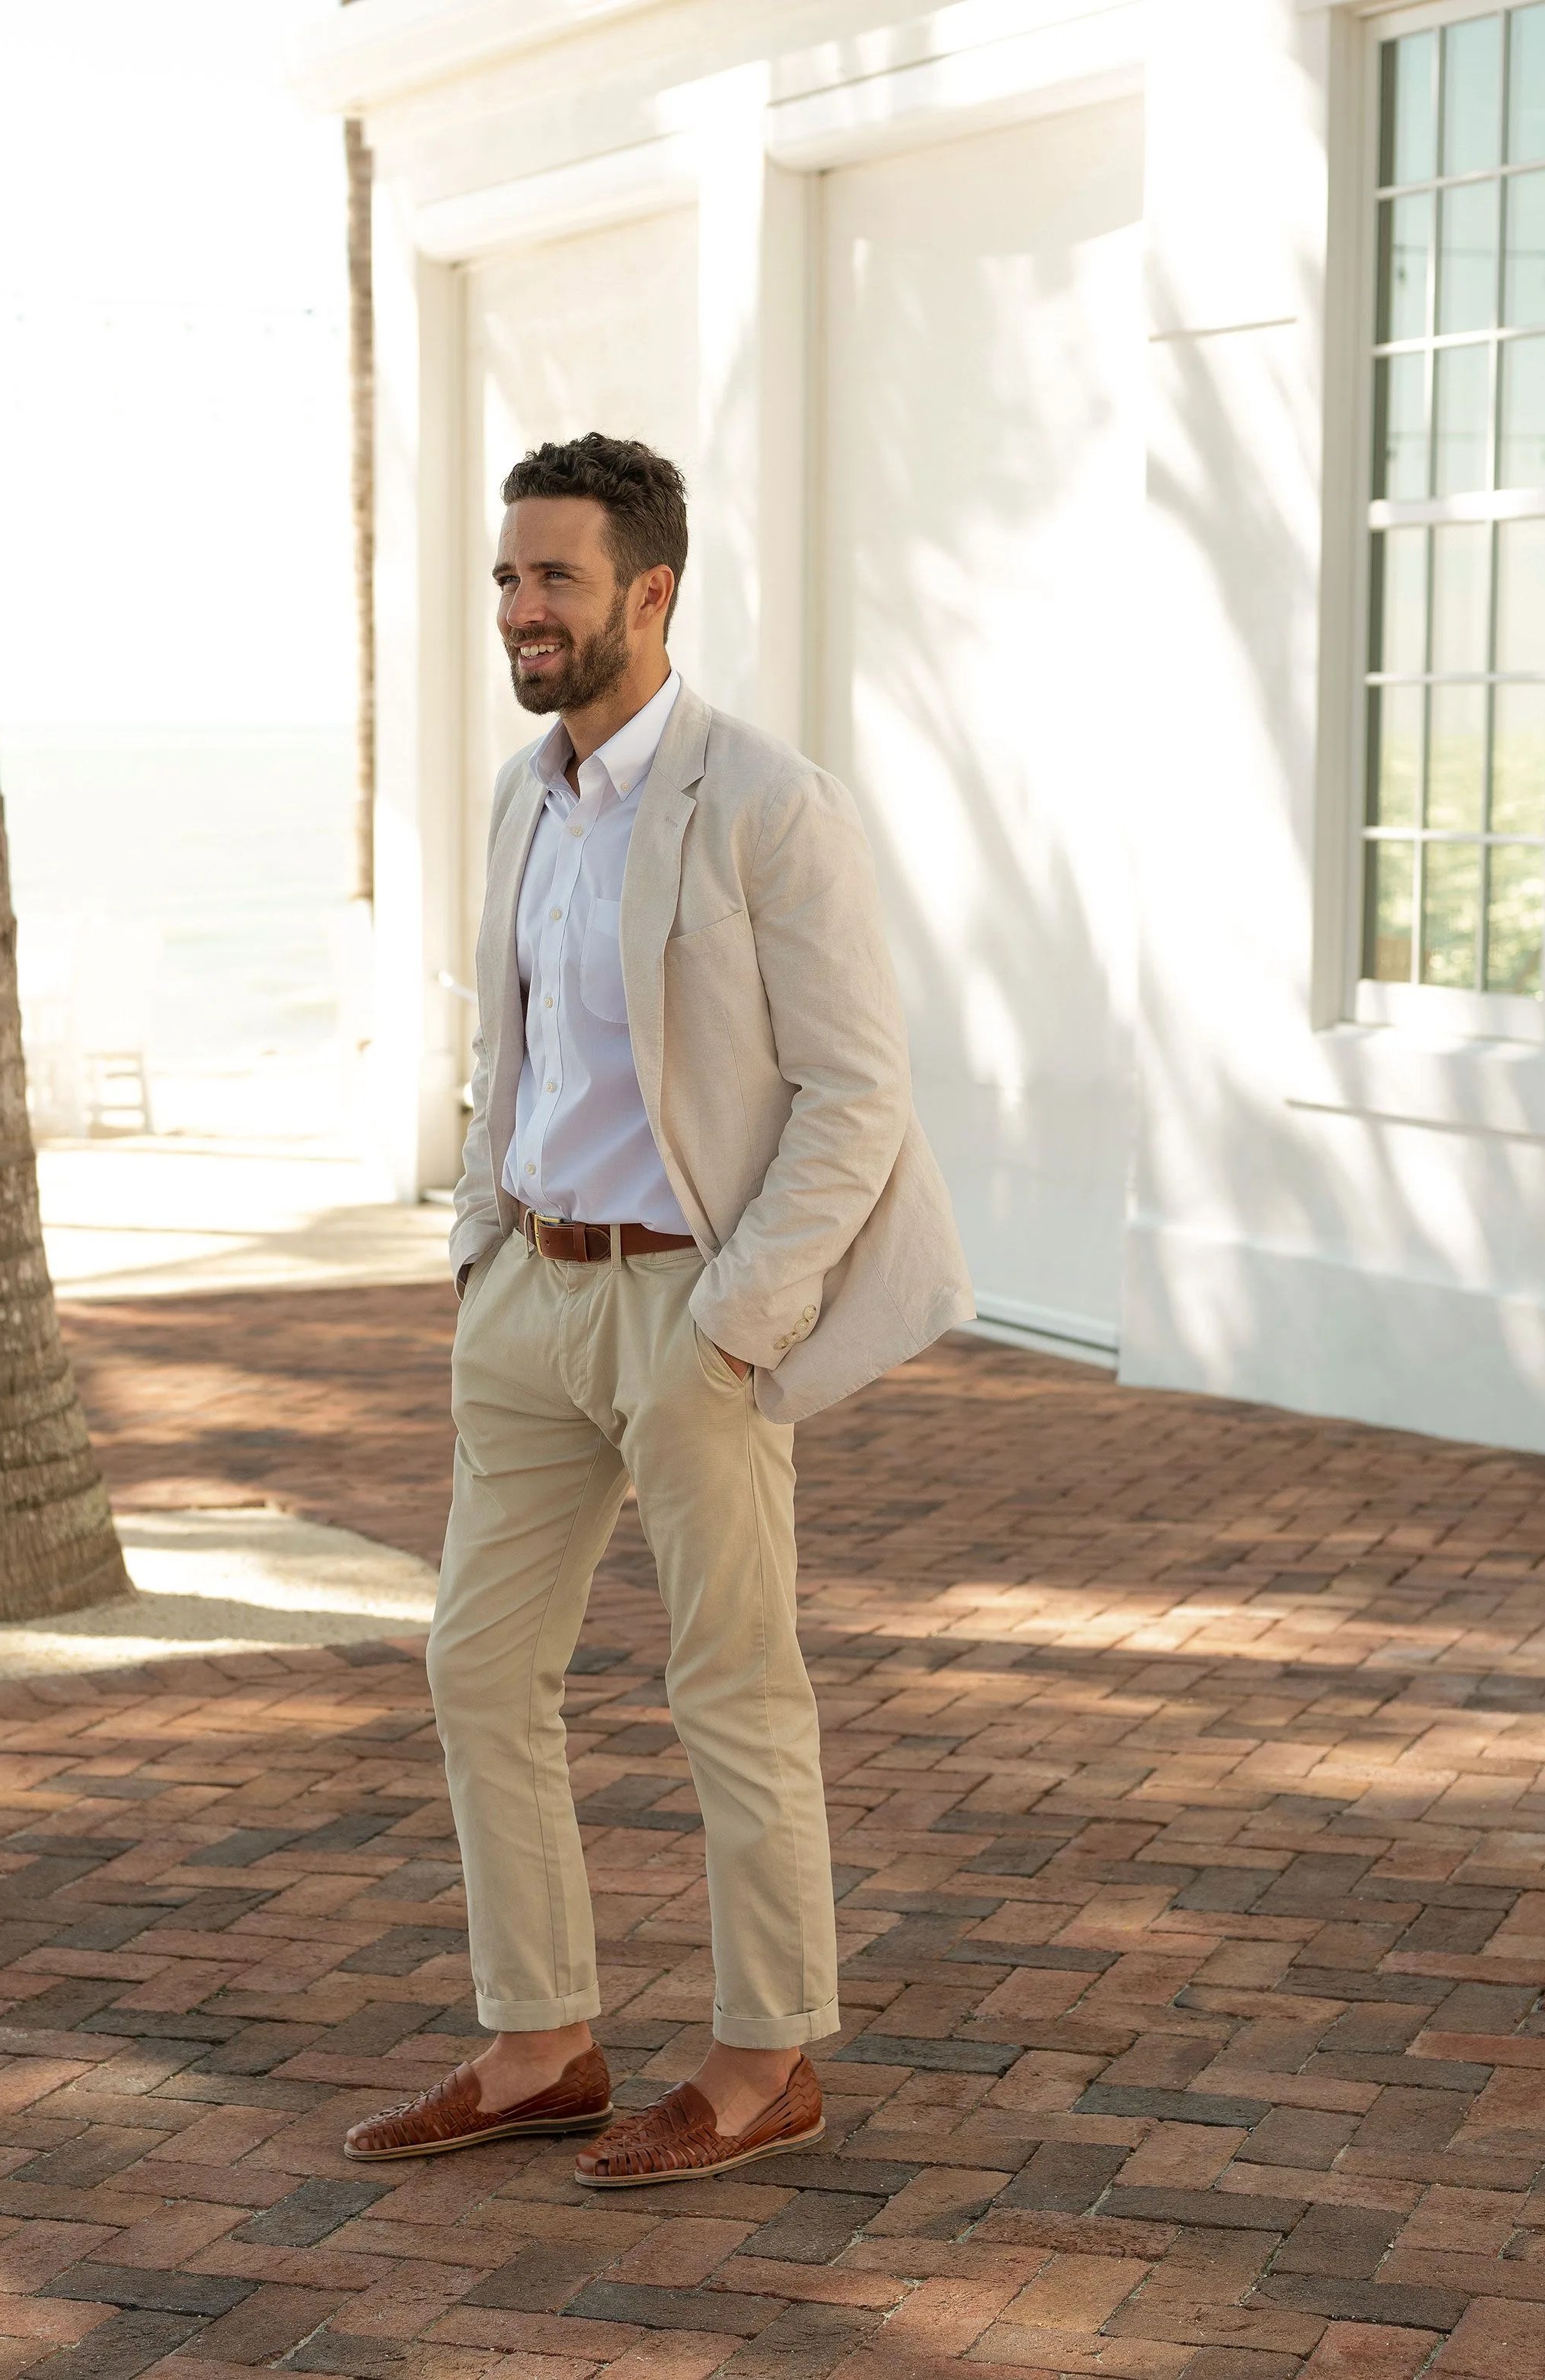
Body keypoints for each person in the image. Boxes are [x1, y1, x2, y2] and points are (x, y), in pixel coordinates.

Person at [341, 433, 972, 2187]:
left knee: (731, 1688)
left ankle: (766, 2062)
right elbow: (510, 1045)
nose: (520, 609)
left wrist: (743, 1318)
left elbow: (858, 1093)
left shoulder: (765, 803)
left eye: (552, 576)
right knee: (478, 1661)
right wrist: (478, 1239)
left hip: (691, 1311)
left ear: (652, 593)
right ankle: (540, 2043)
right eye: (504, 578)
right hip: (530, 1297)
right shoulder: (519, 794)